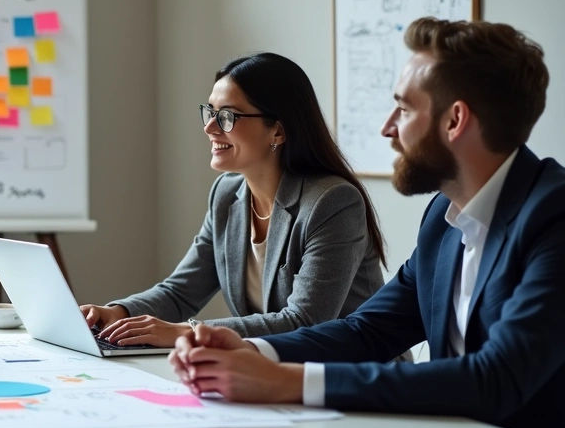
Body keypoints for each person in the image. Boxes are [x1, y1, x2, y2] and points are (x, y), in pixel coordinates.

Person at [170, 18, 565, 428]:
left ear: (455, 121)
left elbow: (497, 377)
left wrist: (286, 381)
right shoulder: (442, 219)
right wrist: (254, 351)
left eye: (405, 108)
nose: (388, 127)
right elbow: (368, 331)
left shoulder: (553, 218)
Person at [80, 53, 386, 347]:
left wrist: (186, 333)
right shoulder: (226, 194)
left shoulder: (332, 202)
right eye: (210, 112)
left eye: (227, 116)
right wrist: (117, 313)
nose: (209, 127)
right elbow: (180, 293)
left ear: (277, 131)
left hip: (356, 380)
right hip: (275, 372)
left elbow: (305, 321)